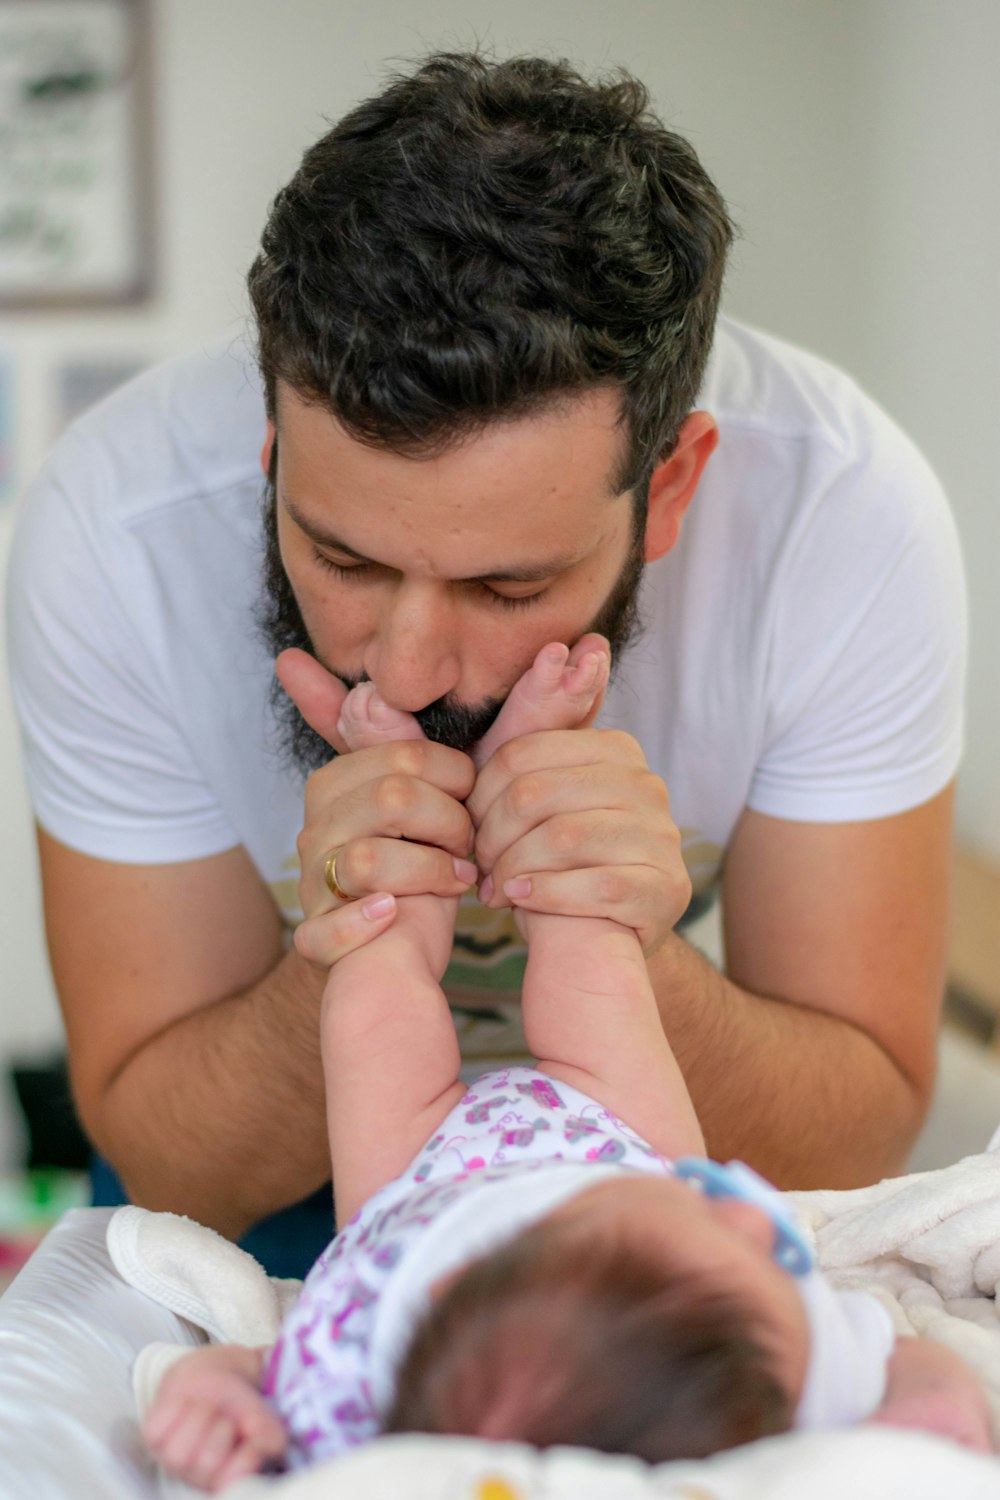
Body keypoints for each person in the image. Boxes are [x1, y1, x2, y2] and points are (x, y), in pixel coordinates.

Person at [5, 53, 965, 1273]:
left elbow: (860, 1131)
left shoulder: (844, 521)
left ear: (669, 489)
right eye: (340, 557)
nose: (404, 669)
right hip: (265, 1207)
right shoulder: (110, 530)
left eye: (507, 586)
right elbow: (171, 1165)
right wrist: (352, 958)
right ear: (269, 449)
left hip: (656, 1169)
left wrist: (625, 949)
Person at [142, 649, 990, 1493]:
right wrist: (934, 1411)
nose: (742, 1209)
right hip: (620, 1149)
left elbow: (236, 1370)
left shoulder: (357, 1383)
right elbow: (902, 1357)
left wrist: (211, 1402)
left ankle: (399, 798)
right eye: (747, 1256)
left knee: (375, 1002)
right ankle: (537, 774)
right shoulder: (799, 1376)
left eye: (697, 1229)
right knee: (595, 971)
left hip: (410, 1205)